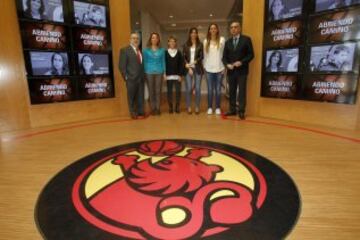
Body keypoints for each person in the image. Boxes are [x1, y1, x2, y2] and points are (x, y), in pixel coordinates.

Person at [222, 21, 254, 120]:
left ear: (239, 28)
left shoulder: (246, 39)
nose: (233, 29)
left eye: (235, 27)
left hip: (242, 71)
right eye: (231, 27)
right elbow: (224, 57)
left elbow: (251, 54)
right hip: (231, 71)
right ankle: (232, 110)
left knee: (242, 91)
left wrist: (241, 62)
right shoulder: (228, 42)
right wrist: (227, 64)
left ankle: (241, 111)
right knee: (231, 91)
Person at [119, 32, 145, 119]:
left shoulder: (139, 51)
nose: (136, 40)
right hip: (131, 79)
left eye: (137, 38)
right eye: (133, 38)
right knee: (132, 97)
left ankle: (140, 112)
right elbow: (121, 66)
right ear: (130, 39)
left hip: (140, 79)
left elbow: (141, 64)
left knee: (140, 96)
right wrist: (126, 77)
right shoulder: (124, 50)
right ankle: (133, 113)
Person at [203, 23, 225, 115]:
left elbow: (224, 54)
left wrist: (224, 67)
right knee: (210, 89)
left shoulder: (222, 40)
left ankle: (218, 108)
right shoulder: (205, 41)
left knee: (218, 90)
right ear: (209, 31)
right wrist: (204, 67)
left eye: (214, 28)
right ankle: (209, 107)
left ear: (217, 30)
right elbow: (205, 56)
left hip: (219, 68)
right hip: (208, 69)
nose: (213, 30)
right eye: (211, 28)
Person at [143, 32, 166, 115]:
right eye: (153, 37)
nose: (154, 39)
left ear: (158, 39)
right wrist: (145, 73)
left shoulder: (162, 50)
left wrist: (164, 73)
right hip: (149, 72)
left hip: (159, 72)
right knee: (151, 91)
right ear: (150, 39)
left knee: (158, 91)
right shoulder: (145, 50)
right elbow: (145, 62)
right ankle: (153, 108)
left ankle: (158, 108)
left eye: (156, 37)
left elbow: (163, 61)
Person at [183, 27, 204, 115]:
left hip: (198, 68)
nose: (194, 34)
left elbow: (201, 56)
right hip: (188, 68)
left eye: (195, 32)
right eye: (192, 32)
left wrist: (196, 61)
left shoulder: (200, 44)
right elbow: (183, 57)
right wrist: (188, 66)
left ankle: (197, 107)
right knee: (188, 89)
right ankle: (188, 107)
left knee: (198, 89)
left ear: (197, 34)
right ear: (190, 34)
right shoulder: (185, 44)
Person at [165, 36, 184, 114]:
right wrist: (164, 74)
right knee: (169, 92)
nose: (172, 43)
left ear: (175, 43)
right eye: (170, 41)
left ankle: (177, 107)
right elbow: (164, 64)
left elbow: (181, 64)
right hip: (168, 76)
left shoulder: (179, 52)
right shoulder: (165, 52)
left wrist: (180, 75)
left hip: (177, 76)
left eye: (174, 41)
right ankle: (170, 107)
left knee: (178, 92)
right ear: (168, 43)